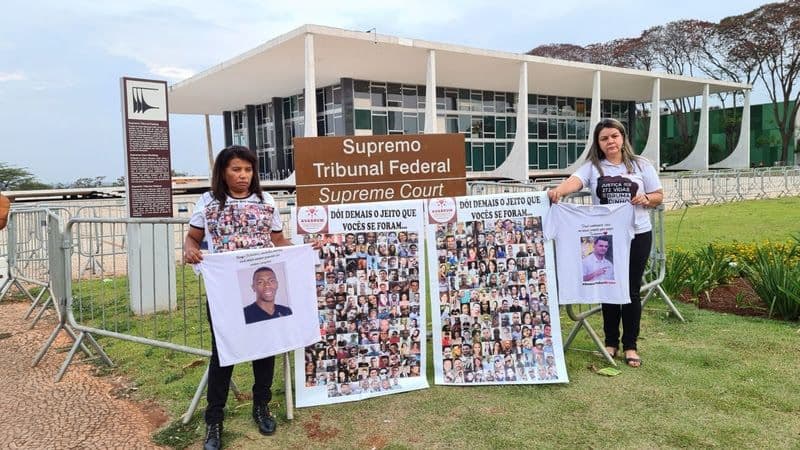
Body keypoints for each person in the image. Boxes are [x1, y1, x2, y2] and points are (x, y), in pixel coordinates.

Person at [184, 145, 294, 449]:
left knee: (264, 349)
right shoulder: (207, 202)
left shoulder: (266, 200)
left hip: (262, 289)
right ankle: (214, 420)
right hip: (224, 293)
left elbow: (278, 240)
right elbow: (193, 237)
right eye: (236, 169)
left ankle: (261, 405)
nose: (242, 175)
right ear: (223, 171)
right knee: (223, 353)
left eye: (247, 170)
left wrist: (300, 252)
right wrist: (190, 249)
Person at [548, 118, 663, 368]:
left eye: (614, 136)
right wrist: (559, 191)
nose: (610, 141)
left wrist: (646, 199)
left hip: (638, 234)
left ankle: (630, 345)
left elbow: (658, 195)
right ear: (598, 144)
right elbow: (574, 181)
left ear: (622, 138)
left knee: (631, 290)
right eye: (604, 138)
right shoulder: (593, 167)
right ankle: (610, 341)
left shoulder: (642, 165)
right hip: (606, 237)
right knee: (609, 288)